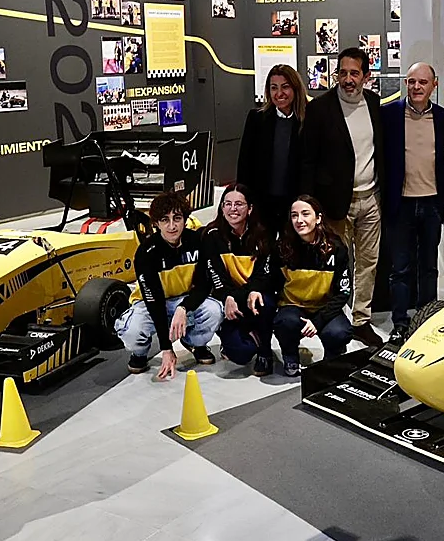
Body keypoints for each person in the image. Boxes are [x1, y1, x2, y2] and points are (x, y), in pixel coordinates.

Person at [300, 48, 385, 345]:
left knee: (368, 262)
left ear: (366, 76)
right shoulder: (320, 108)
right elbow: (307, 159)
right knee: (338, 262)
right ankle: (332, 318)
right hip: (336, 202)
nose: (348, 79)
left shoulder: (374, 103)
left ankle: (361, 319)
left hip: (371, 197)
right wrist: (309, 202)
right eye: (343, 73)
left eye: (354, 73)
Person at [115, 191, 223, 382]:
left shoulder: (198, 242)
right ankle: (139, 353)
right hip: (149, 303)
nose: (172, 226)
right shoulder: (146, 252)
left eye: (177, 218)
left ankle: (195, 344)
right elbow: (153, 298)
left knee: (214, 310)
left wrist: (184, 308)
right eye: (165, 220)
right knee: (132, 330)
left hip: (183, 300)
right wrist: (166, 348)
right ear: (156, 223)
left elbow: (205, 285)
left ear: (185, 219)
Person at [380, 62, 444, 341]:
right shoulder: (389, 115)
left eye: (422, 82)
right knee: (400, 268)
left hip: (432, 203)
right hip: (401, 203)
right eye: (411, 82)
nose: (416, 87)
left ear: (434, 84)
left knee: (429, 266)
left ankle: (426, 317)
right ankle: (400, 322)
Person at [191, 184, 278, 377]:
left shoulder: (263, 235)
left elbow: (264, 274)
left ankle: (265, 352)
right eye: (227, 204)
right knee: (241, 353)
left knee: (265, 302)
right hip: (228, 300)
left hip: (253, 295)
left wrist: (248, 292)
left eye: (239, 204)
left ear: (250, 208)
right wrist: (227, 297)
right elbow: (215, 276)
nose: (233, 209)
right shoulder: (211, 236)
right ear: (221, 208)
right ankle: (241, 336)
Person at [273, 195, 354, 378]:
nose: (299, 220)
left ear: (318, 218)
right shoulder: (282, 247)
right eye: (294, 215)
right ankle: (290, 355)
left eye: (305, 214)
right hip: (293, 307)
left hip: (324, 308)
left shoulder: (336, 248)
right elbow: (273, 282)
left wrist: (318, 322)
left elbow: (343, 292)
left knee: (340, 332)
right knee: (284, 323)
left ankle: (332, 359)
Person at [238, 64, 306, 233]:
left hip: (296, 204)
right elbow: (245, 164)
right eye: (273, 88)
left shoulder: (309, 120)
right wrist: (243, 201)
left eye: (285, 87)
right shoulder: (257, 119)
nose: (279, 93)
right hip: (263, 203)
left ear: (295, 88)